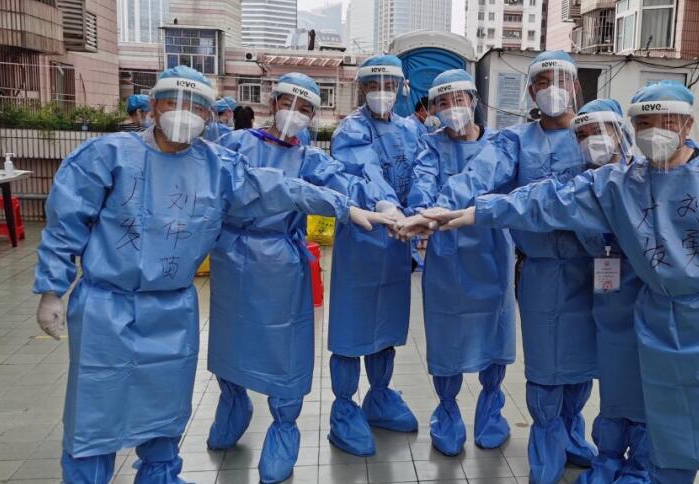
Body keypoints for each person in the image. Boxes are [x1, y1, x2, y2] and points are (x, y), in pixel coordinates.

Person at [415, 80, 699, 484]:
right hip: (664, 322)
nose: (655, 131)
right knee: (670, 431)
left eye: (667, 121)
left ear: (688, 124)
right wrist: (469, 214)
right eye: (646, 123)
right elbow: (544, 200)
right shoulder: (619, 184)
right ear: (634, 128)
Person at [32, 65, 392, 484]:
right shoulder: (107, 155)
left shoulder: (216, 164)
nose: (184, 114)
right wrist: (52, 289)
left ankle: (160, 475)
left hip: (173, 305)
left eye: (197, 107)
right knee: (96, 409)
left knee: (165, 403)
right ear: (153, 106)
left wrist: (348, 207)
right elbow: (66, 222)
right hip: (106, 305)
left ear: (208, 116)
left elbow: (278, 187)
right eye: (174, 103)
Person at [405, 50, 600, 483]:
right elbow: (478, 176)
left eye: (561, 80)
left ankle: (573, 431)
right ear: (530, 91)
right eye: (543, 81)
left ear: (576, 86)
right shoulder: (514, 141)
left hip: (591, 266)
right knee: (545, 364)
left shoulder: (593, 133)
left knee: (584, 359)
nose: (553, 89)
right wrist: (434, 210)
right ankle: (545, 439)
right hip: (540, 266)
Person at [204, 73, 398, 483]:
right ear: (272, 103)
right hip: (231, 255)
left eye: (306, 108)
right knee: (229, 339)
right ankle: (233, 403)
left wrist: (383, 203)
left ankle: (283, 428)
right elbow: (241, 186)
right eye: (289, 103)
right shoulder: (235, 144)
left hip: (281, 261)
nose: (295, 113)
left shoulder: (309, 158)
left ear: (314, 115)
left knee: (286, 349)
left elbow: (345, 180)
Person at [400, 69, 516, 457]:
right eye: (443, 103)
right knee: (446, 334)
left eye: (459, 100)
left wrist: (436, 212)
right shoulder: (429, 146)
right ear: (433, 109)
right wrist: (420, 214)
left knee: (495, 331)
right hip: (447, 257)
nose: (452, 108)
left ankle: (491, 412)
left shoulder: (500, 143)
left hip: (491, 252)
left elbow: (497, 183)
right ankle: (447, 413)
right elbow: (422, 185)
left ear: (473, 101)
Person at [326, 54, 422, 457]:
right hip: (363, 239)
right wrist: (386, 204)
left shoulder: (411, 130)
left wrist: (419, 213)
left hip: (398, 242)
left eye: (389, 85)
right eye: (373, 85)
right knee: (353, 326)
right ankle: (345, 408)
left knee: (386, 323)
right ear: (361, 88)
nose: (382, 92)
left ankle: (380, 396)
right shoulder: (351, 129)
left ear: (401, 88)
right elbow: (363, 170)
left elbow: (422, 173)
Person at [567, 99, 652, 484]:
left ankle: (642, 466)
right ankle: (609, 458)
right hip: (608, 303)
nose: (592, 140)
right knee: (615, 387)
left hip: (649, 304)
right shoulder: (582, 186)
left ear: (621, 132)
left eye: (599, 131)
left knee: (646, 389)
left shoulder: (646, 179)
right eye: (583, 134)